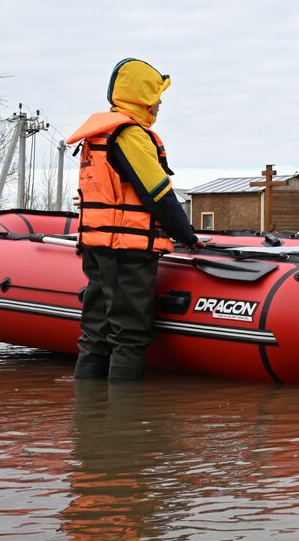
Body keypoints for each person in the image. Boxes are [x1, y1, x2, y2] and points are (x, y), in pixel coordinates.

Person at [65, 58, 200, 381]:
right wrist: (188, 237)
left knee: (95, 331)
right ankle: (126, 419)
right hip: (128, 249)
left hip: (98, 245)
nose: (160, 105)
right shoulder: (130, 136)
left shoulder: (99, 134)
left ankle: (91, 417)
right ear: (142, 98)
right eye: (156, 98)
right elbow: (158, 193)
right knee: (129, 334)